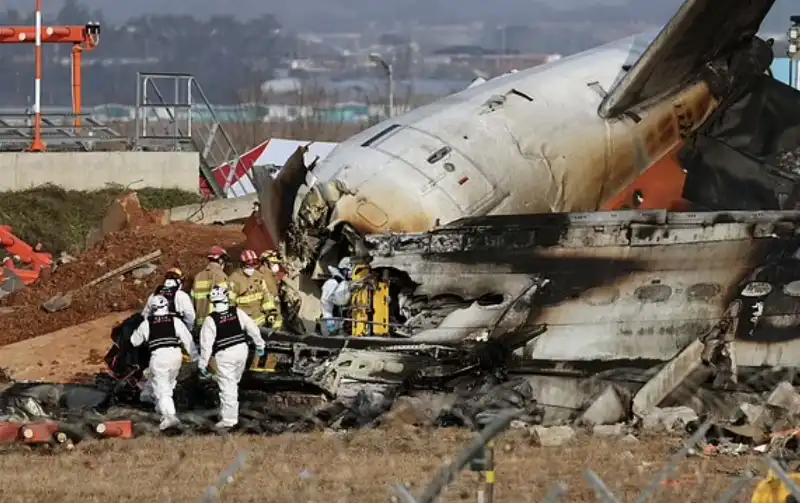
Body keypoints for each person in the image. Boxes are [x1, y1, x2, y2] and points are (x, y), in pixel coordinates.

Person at [197, 285, 265, 429]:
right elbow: (252, 327)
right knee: (233, 381)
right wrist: (260, 345)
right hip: (242, 350)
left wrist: (202, 364)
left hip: (225, 354)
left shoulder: (211, 320)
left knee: (228, 386)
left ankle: (229, 420)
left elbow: (206, 345)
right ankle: (227, 410)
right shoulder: (237, 312)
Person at [130, 294, 199, 431]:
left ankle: (169, 417)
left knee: (163, 390)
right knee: (167, 384)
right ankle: (158, 407)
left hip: (159, 357)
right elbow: (187, 338)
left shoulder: (147, 323)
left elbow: (134, 341)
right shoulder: (175, 321)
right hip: (176, 356)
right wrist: (195, 357)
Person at [228, 249, 282, 329]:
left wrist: (271, 312)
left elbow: (266, 297)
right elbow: (230, 304)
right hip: (244, 325)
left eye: (254, 263)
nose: (251, 266)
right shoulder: (234, 279)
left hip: (261, 324)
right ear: (242, 264)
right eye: (249, 263)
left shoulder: (259, 276)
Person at [191, 246, 229, 331]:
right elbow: (226, 300)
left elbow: (192, 301)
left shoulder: (198, 277)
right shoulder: (221, 276)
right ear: (220, 260)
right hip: (217, 323)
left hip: (201, 324)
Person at [320, 257, 353, 336]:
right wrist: (330, 326)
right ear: (344, 270)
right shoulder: (332, 283)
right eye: (348, 270)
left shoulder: (344, 284)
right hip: (330, 325)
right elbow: (325, 305)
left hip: (341, 325)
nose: (350, 273)